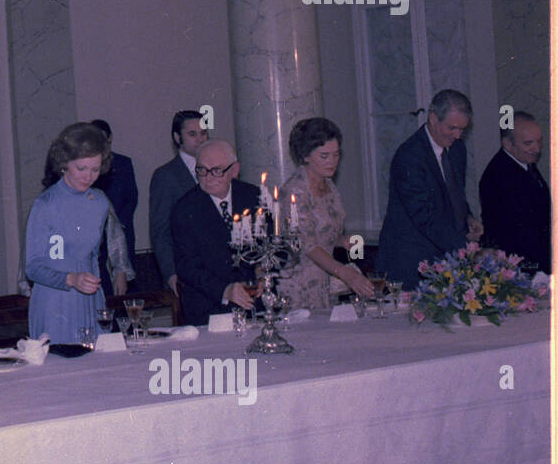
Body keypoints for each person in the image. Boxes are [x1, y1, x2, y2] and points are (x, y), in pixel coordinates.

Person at [378, 89, 483, 287]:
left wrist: (468, 218)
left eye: (462, 129)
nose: (458, 135)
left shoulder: (457, 148)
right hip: (412, 262)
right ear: (433, 118)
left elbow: (453, 193)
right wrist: (468, 250)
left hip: (445, 255)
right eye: (452, 128)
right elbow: (424, 215)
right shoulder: (409, 156)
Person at [25, 123, 112, 347]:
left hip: (90, 299)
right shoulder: (45, 204)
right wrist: (71, 279)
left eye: (95, 169)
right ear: (64, 164)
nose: (89, 176)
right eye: (81, 169)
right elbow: (33, 268)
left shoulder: (100, 202)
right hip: (55, 302)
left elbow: (93, 256)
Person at [276, 118, 375, 309]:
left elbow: (322, 232)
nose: (332, 162)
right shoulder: (295, 191)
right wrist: (347, 274)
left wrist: (341, 240)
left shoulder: (328, 184)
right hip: (300, 285)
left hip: (327, 280)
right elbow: (308, 245)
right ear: (305, 156)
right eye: (324, 156)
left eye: (336, 155)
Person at [170, 139, 259, 326]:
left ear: (234, 170)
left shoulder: (254, 197)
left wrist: (264, 273)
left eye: (216, 171)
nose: (208, 178)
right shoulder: (185, 209)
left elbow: (270, 246)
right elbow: (187, 267)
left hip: (255, 305)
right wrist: (225, 291)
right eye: (201, 170)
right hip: (209, 309)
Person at [479, 111, 551, 272]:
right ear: (508, 144)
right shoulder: (498, 176)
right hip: (521, 268)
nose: (537, 148)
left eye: (539, 141)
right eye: (528, 143)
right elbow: (518, 232)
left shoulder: (523, 161)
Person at [148, 111, 208, 293]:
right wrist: (170, 272)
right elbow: (160, 230)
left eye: (204, 133)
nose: (200, 139)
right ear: (177, 137)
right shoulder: (166, 175)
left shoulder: (216, 170)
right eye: (192, 134)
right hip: (185, 269)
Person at [89, 119, 139, 277]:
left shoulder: (123, 163)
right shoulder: (90, 167)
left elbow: (131, 197)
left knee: (124, 272)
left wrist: (118, 222)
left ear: (109, 137)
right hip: (96, 230)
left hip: (121, 226)